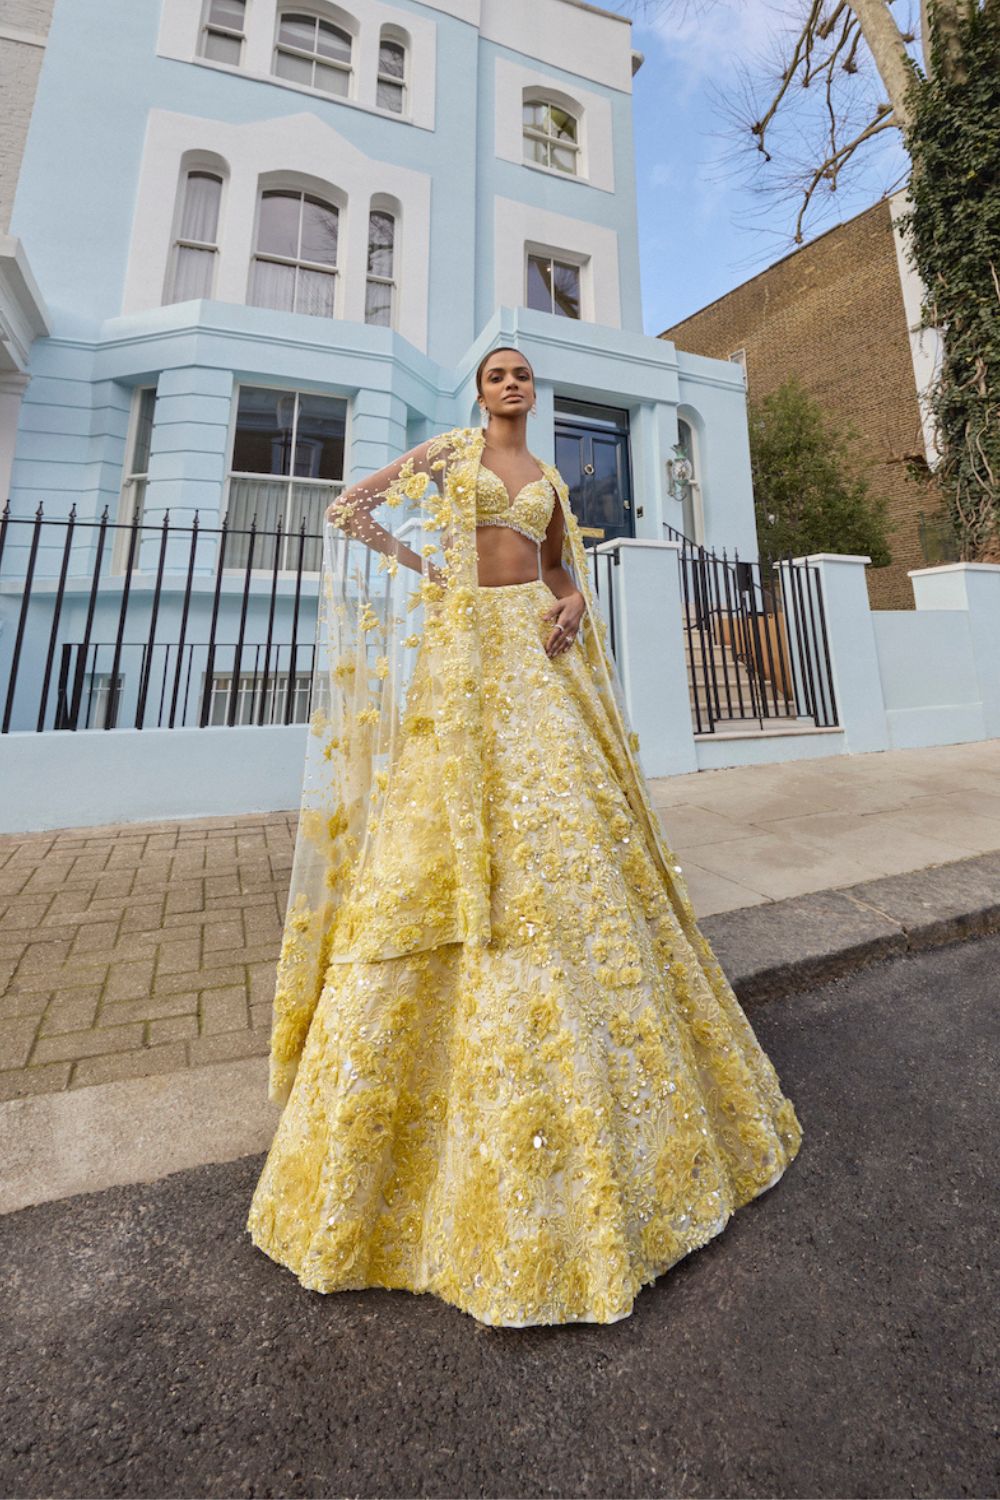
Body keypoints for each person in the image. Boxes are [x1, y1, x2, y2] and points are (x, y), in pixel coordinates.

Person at [246, 345, 803, 1327]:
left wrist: (576, 596)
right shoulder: (449, 452)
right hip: (464, 655)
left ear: (531, 393)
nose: (510, 384)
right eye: (498, 373)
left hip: (535, 657)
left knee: (570, 831)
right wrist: (425, 569)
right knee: (444, 843)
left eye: (521, 376)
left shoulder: (546, 478)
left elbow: (555, 568)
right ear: (479, 391)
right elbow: (348, 510)